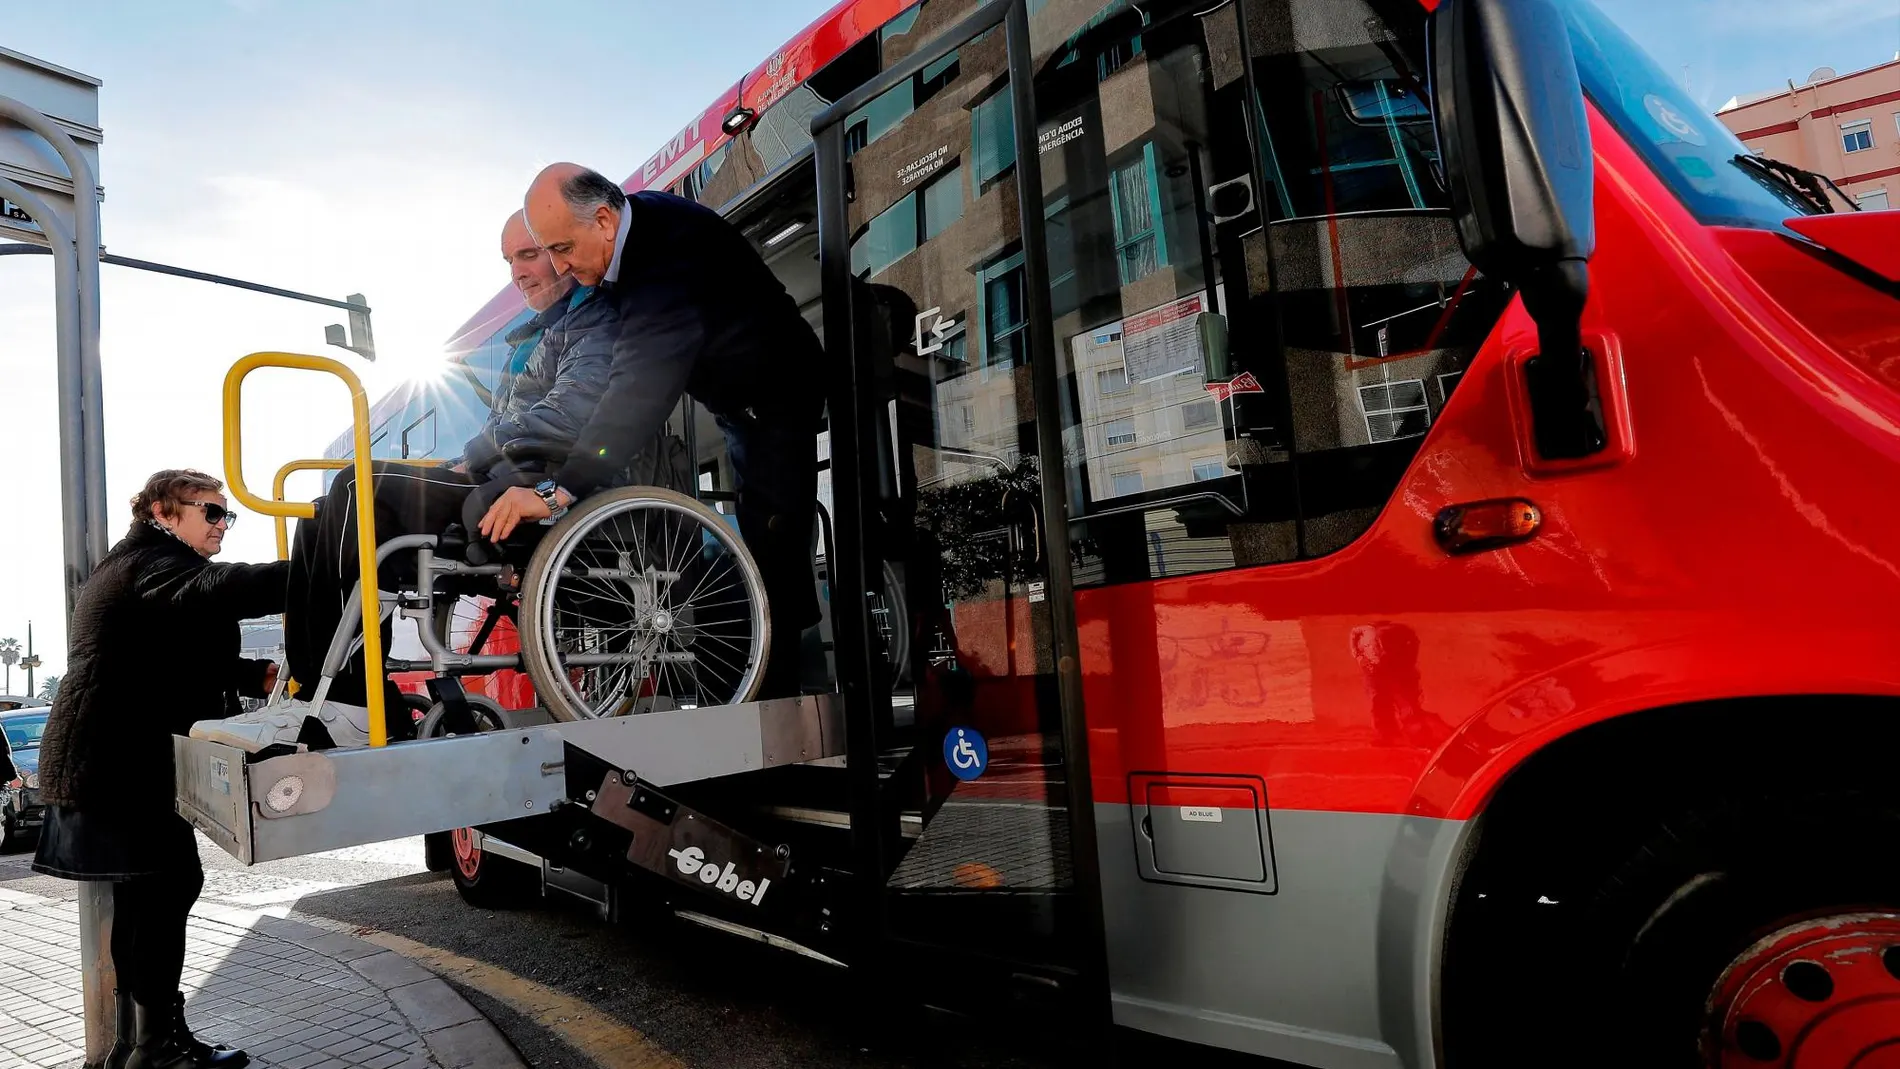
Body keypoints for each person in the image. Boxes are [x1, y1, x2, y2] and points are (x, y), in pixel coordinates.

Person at [204, 211, 622, 752]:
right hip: (505, 473)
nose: (518, 273)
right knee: (316, 514)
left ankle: (352, 700)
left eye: (530, 254)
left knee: (360, 487)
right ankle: (311, 694)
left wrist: (472, 455)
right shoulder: (545, 333)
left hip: (540, 486)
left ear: (567, 251)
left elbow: (568, 414)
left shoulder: (595, 321)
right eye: (509, 261)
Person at [515, 163, 825, 699]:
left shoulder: (662, 257)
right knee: (761, 534)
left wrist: (563, 489)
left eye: (563, 248)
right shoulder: (629, 240)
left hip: (779, 394)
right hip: (738, 403)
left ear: (605, 221)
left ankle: (777, 704)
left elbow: (637, 390)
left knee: (773, 538)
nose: (560, 265)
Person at [34, 470, 284, 1069]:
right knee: (164, 892)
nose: (224, 524)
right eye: (213, 512)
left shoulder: (141, 568)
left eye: (227, 515)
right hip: (120, 762)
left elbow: (162, 650)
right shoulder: (151, 562)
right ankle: (154, 1048)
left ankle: (136, 1046)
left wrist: (253, 676)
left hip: (114, 759)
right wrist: (327, 567)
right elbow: (220, 592)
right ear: (164, 512)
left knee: (151, 899)